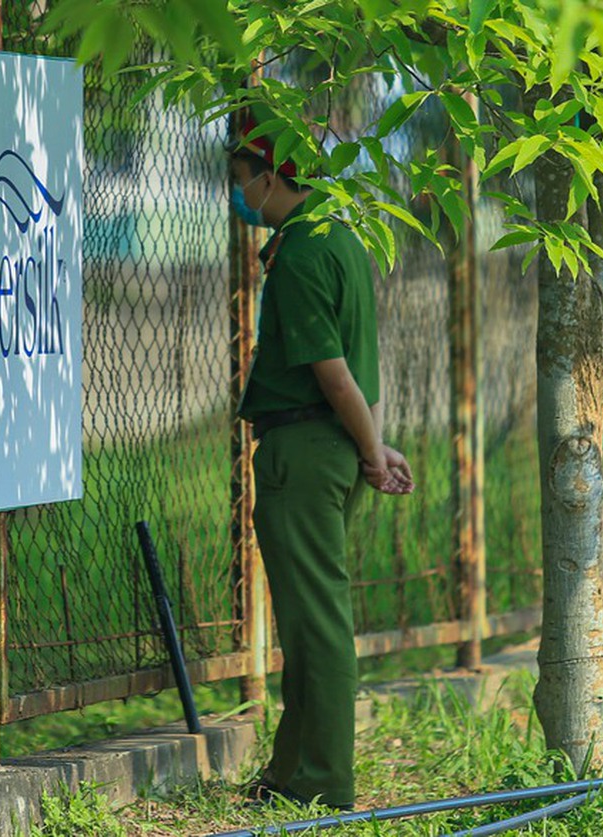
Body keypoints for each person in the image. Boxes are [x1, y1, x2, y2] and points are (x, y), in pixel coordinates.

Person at [228, 107, 414, 812]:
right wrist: (368, 444)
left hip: (307, 451)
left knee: (319, 626)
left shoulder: (302, 254)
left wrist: (371, 452)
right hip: (329, 443)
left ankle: (325, 782)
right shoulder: (340, 235)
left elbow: (334, 373)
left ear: (273, 177)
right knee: (308, 624)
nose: (241, 194)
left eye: (244, 179)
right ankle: (294, 770)